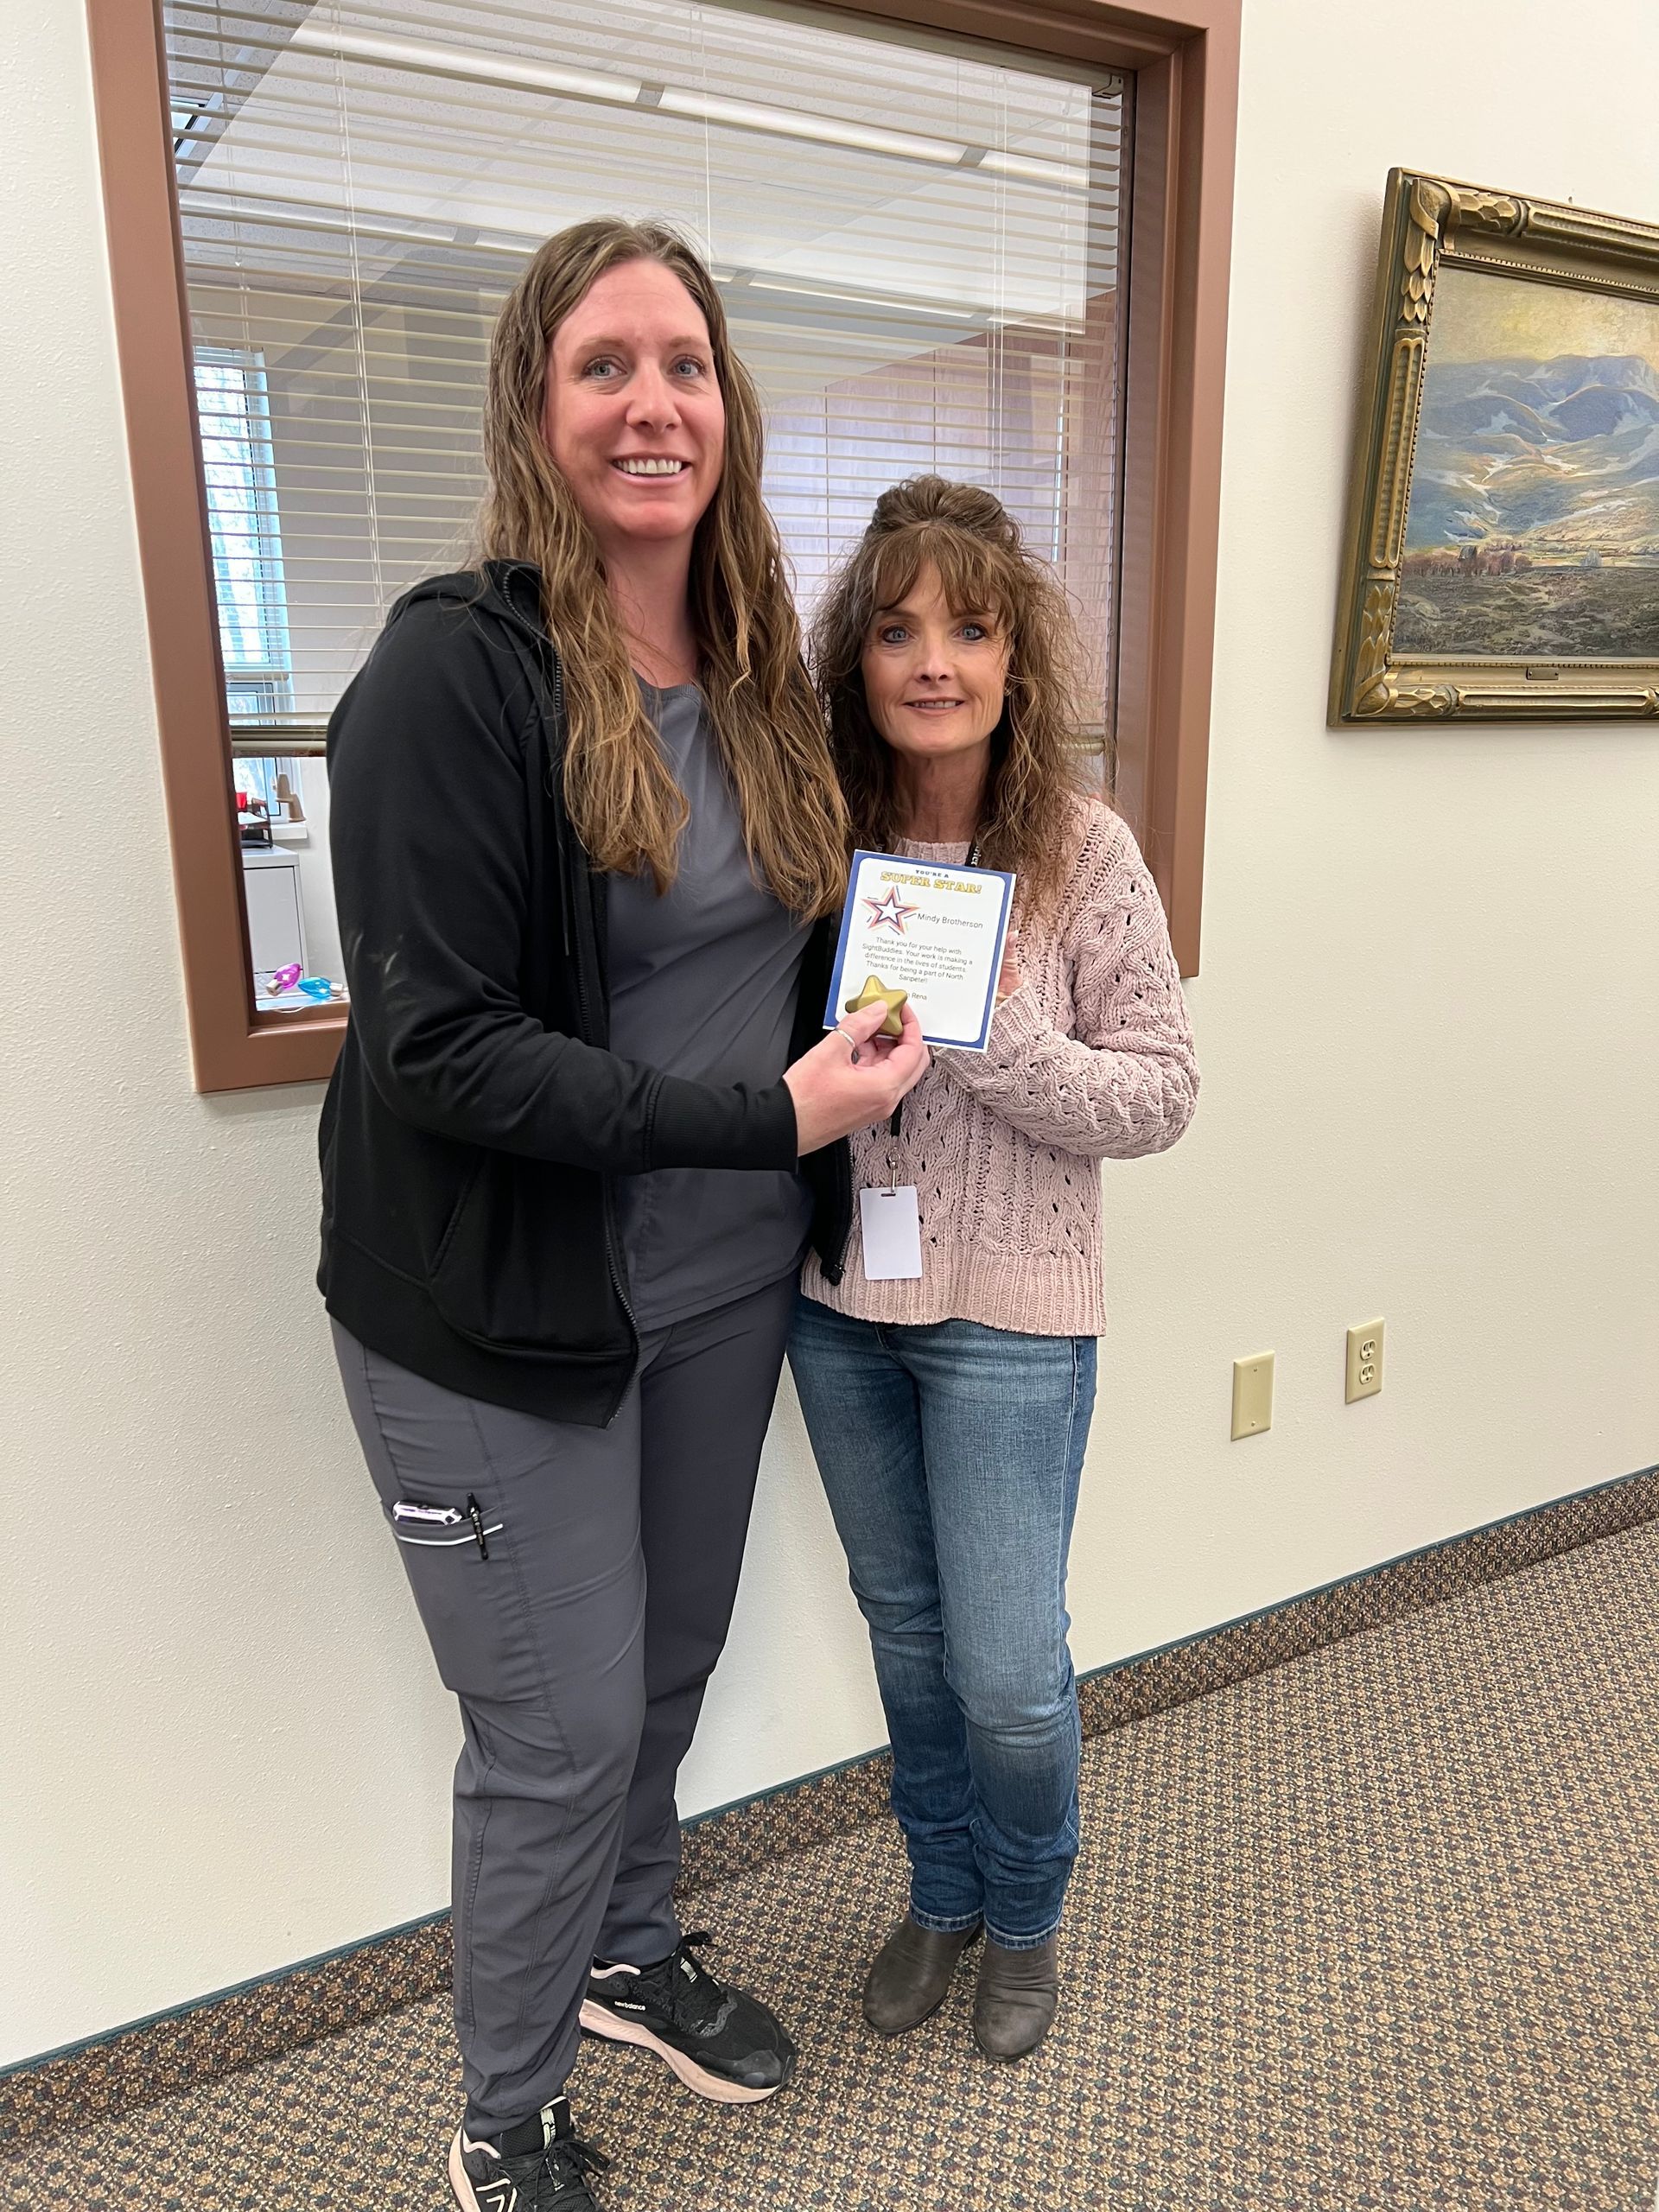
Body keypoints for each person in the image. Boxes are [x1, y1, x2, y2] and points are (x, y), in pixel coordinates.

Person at [319, 218, 927, 2212]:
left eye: (685, 363)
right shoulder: (450, 672)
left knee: (665, 1659)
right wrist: (764, 1112)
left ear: (728, 410)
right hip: (500, 1302)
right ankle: (504, 2114)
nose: (653, 400)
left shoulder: (764, 674)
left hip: (726, 1276)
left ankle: (625, 1947)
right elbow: (442, 1048)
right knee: (561, 1727)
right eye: (606, 364)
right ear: (537, 402)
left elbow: (818, 926)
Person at [789, 476, 1199, 2064]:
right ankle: (942, 1890)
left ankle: (1027, 1913)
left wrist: (1003, 1048)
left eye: (969, 627)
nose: (934, 661)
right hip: (841, 1311)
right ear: (859, 660)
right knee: (905, 1636)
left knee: (1009, 1670)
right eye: (897, 631)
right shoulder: (821, 836)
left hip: (1016, 1323)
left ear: (1018, 657)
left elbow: (1163, 1092)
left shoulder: (1084, 853)